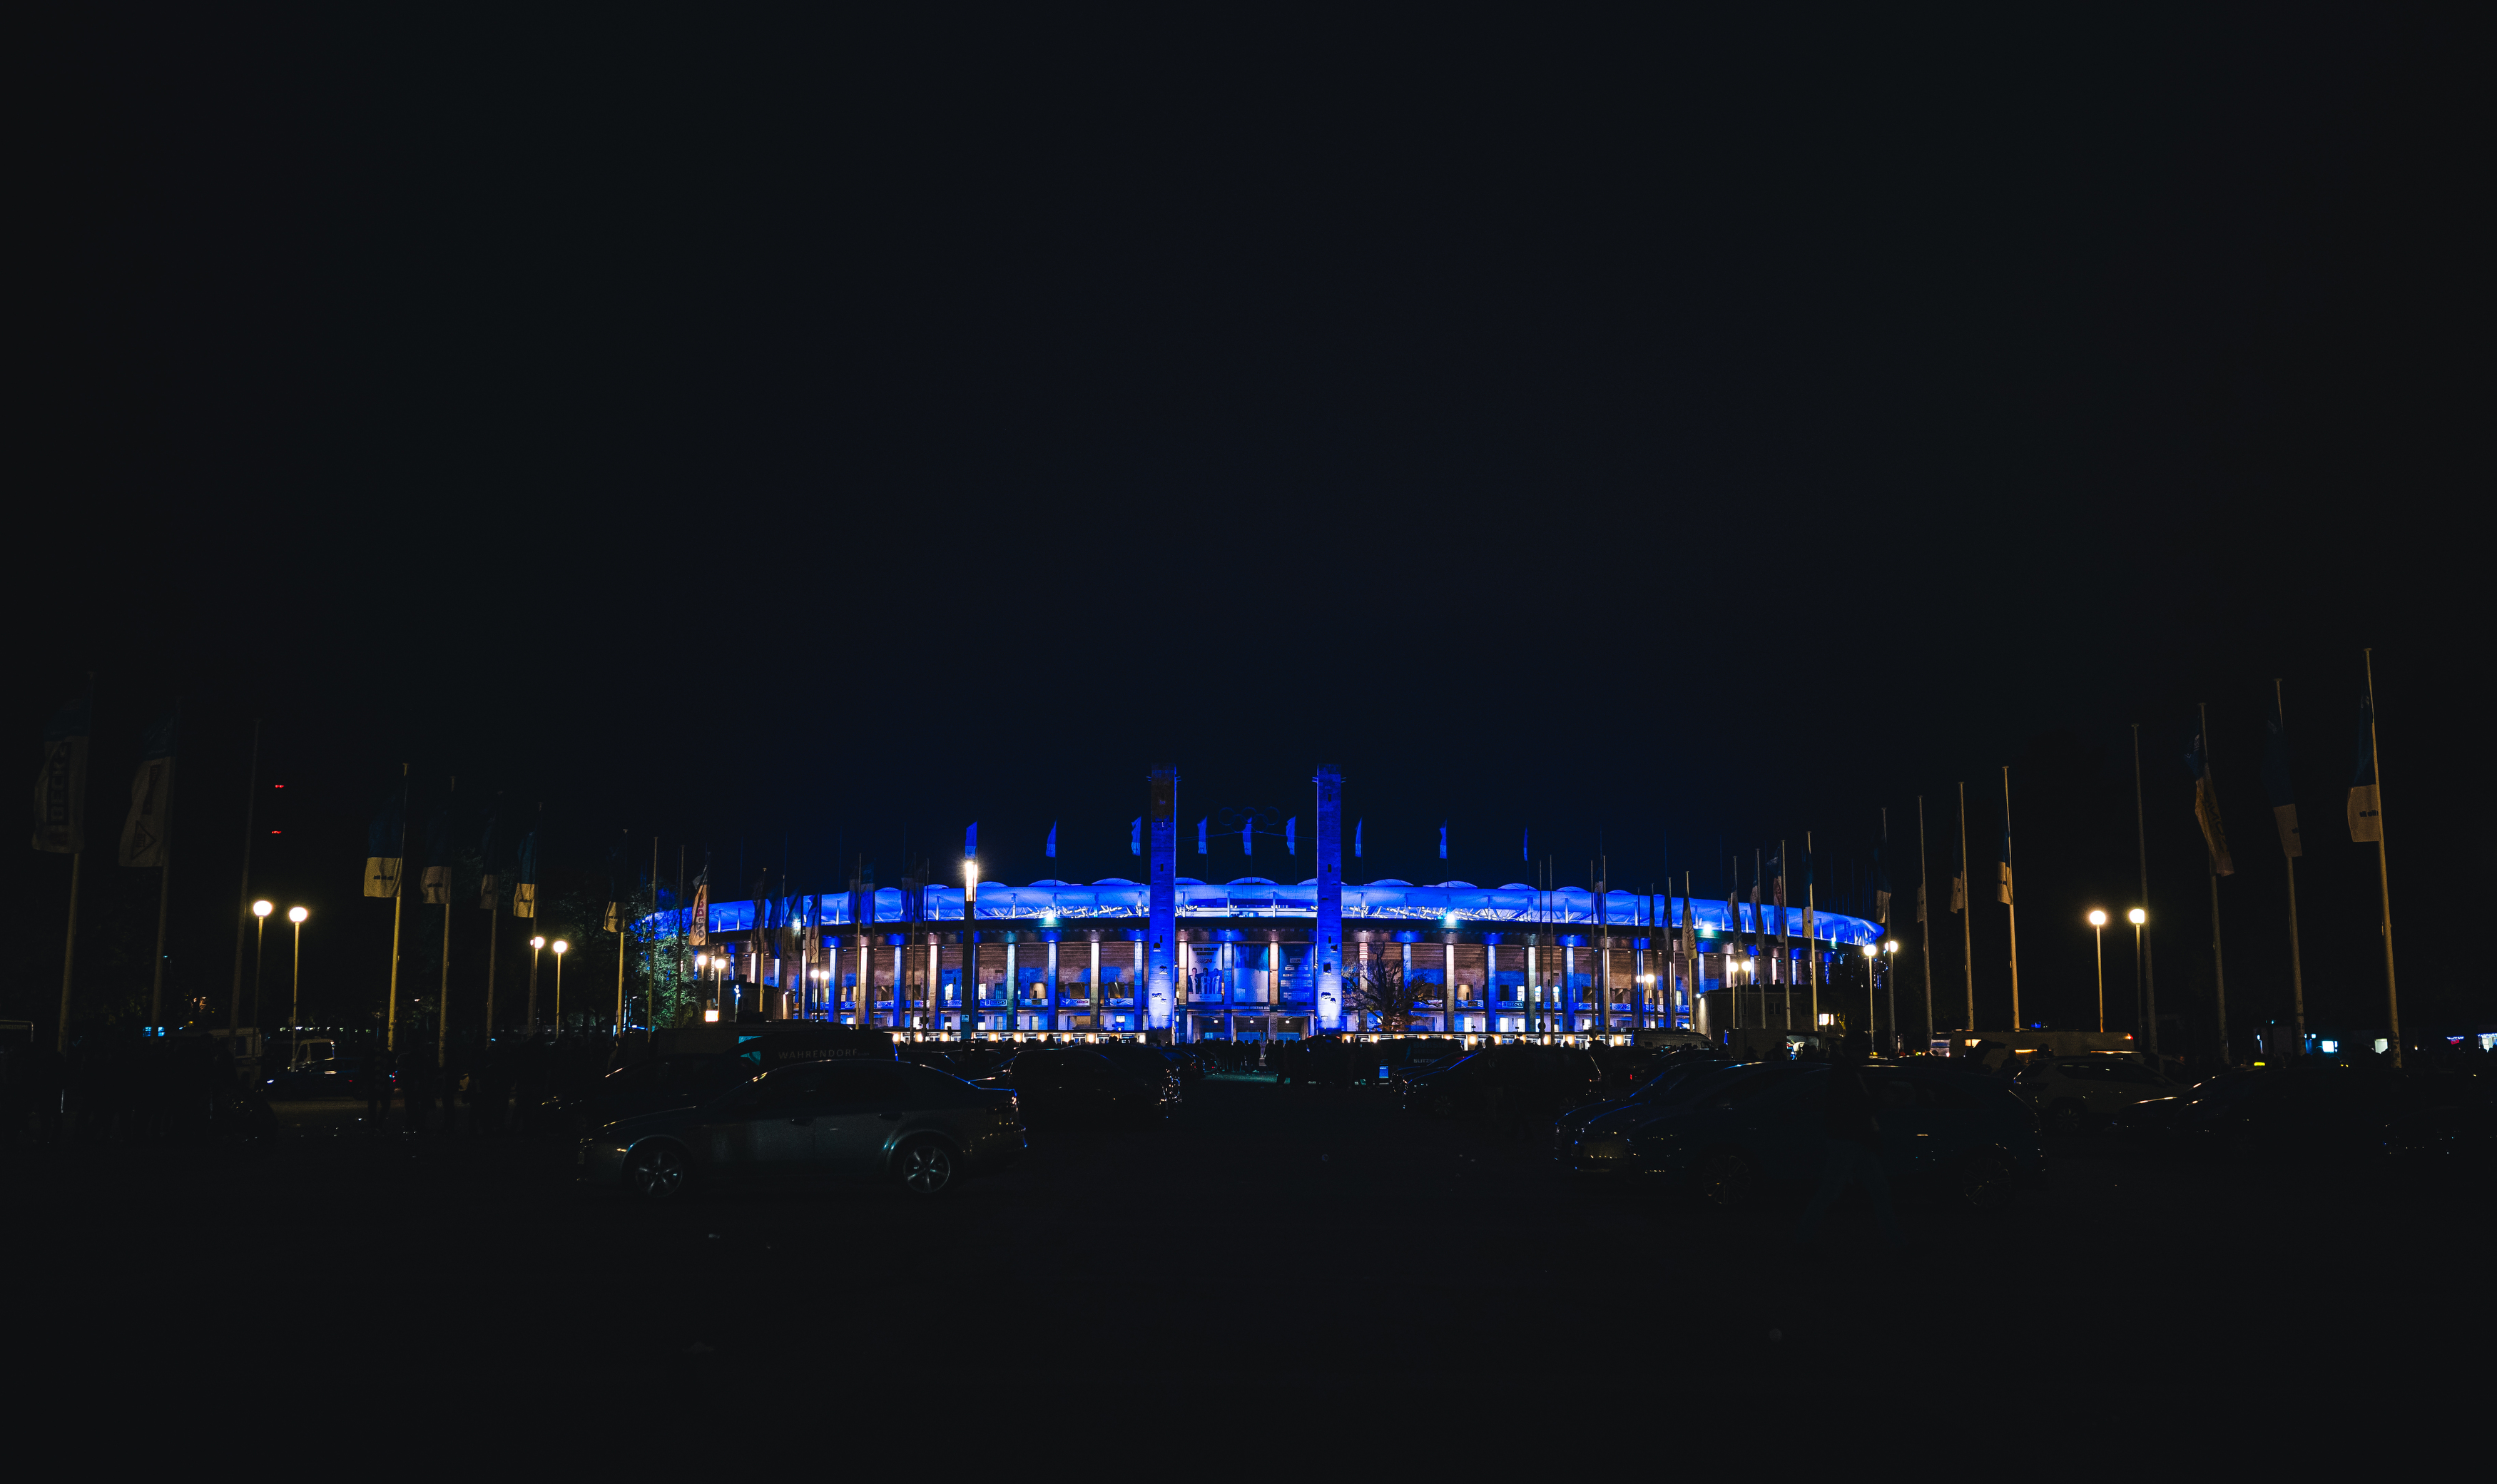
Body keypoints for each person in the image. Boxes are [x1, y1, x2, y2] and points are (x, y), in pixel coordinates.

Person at [1791, 1031, 1901, 1251]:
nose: (1867, 1054)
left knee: (1842, 1190)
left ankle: (1804, 1236)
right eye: (1864, 1049)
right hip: (1850, 1140)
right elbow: (1855, 1106)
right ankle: (1894, 1239)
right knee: (1861, 1190)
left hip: (1849, 1140)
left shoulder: (1845, 1071)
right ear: (1855, 1051)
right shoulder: (1847, 1073)